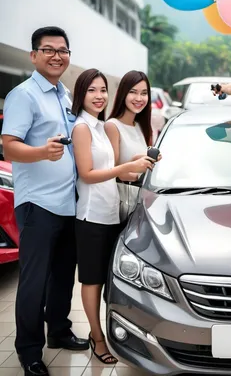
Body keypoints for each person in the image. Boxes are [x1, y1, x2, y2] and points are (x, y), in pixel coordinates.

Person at [1, 26, 88, 376]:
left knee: (64, 276)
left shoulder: (64, 94)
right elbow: (9, 145)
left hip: (69, 203)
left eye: (63, 50)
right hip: (38, 205)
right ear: (33, 55)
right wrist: (41, 152)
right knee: (35, 280)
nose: (57, 55)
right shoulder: (24, 94)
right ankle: (30, 351)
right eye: (48, 49)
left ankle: (59, 331)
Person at [71, 69, 153, 365]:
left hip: (110, 212)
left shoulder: (99, 126)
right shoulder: (82, 128)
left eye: (102, 90)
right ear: (81, 94)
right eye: (92, 90)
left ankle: (115, 334)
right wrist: (124, 169)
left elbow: (116, 165)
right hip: (91, 215)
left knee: (109, 279)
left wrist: (139, 163)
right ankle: (97, 337)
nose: (99, 96)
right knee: (92, 281)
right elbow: (88, 174)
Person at [105, 71, 155, 225]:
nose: (139, 98)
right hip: (122, 206)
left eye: (144, 93)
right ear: (123, 94)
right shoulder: (112, 126)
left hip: (142, 204)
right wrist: (136, 167)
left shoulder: (142, 126)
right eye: (133, 92)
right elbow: (110, 172)